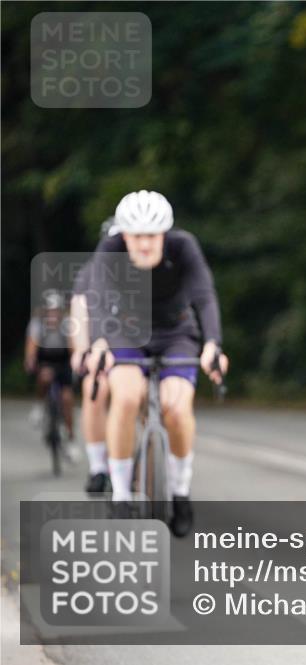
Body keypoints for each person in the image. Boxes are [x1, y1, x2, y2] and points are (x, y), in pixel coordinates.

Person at [85, 191, 228, 536]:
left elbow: (204, 295)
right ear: (124, 235)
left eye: (152, 236)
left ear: (165, 234)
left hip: (175, 330)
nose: (144, 244)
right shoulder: (110, 249)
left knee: (177, 410)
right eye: (136, 236)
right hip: (126, 333)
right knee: (128, 396)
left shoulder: (184, 247)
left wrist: (212, 343)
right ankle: (120, 495)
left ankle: (180, 491)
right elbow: (99, 298)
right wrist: (99, 341)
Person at [69, 218, 119, 495]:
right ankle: (98, 466)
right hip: (99, 344)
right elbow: (79, 311)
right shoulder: (90, 272)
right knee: (93, 390)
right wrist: (80, 351)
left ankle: (151, 457)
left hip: (135, 344)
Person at [24, 289, 80, 461]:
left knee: (67, 399)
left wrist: (76, 362)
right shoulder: (37, 323)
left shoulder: (68, 323)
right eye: (50, 311)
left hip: (62, 360)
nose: (53, 315)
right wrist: (31, 360)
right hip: (45, 359)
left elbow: (73, 347)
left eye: (56, 311)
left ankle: (70, 439)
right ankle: (41, 406)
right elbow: (32, 345)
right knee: (44, 377)